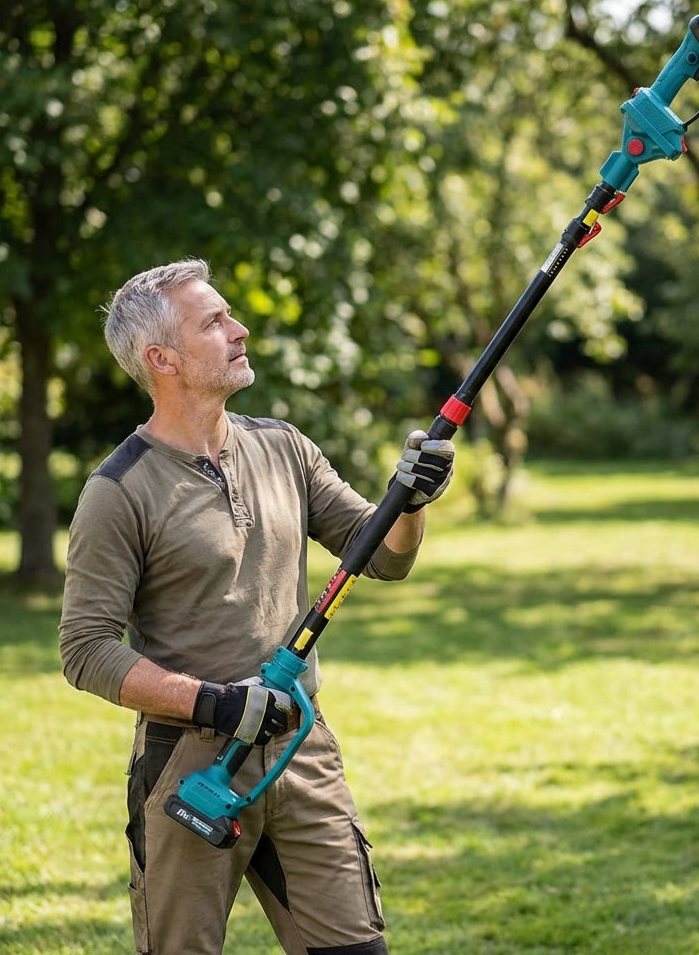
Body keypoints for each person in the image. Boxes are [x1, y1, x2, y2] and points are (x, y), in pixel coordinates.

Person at [59, 258, 454, 955]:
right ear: (163, 359)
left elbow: (384, 555)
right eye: (213, 322)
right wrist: (212, 701)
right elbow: (86, 649)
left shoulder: (282, 446)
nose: (239, 330)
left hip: (302, 749)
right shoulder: (119, 490)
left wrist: (411, 500)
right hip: (189, 762)